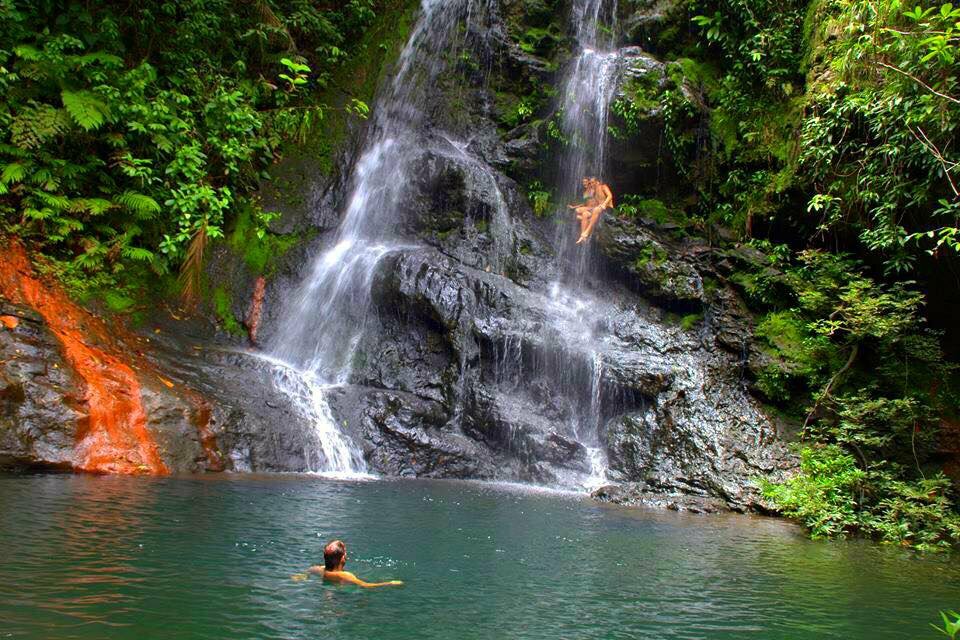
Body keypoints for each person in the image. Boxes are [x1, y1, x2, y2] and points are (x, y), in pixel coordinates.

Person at [292, 540, 403, 588]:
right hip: (340, 598)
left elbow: (308, 571)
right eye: (345, 554)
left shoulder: (318, 569)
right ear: (342, 558)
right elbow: (366, 585)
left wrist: (302, 576)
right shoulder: (345, 575)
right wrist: (389, 583)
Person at [577, 177, 613, 244]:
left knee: (596, 209)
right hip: (599, 209)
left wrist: (604, 204)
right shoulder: (594, 192)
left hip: (608, 208)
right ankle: (582, 235)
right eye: (590, 183)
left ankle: (587, 232)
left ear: (597, 182)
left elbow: (610, 196)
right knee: (585, 214)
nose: (591, 184)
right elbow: (593, 203)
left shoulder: (603, 186)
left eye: (593, 182)